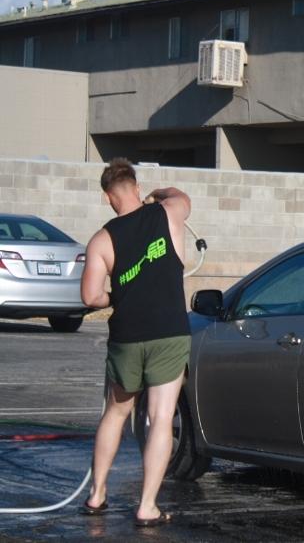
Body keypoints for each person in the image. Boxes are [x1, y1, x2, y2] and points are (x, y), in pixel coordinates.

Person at [79, 158, 192, 527]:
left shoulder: (101, 239)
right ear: (136, 188)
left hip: (127, 336)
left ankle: (96, 494)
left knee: (116, 412)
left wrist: (115, 297)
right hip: (169, 332)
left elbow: (89, 297)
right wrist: (160, 194)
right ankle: (147, 506)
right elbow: (181, 195)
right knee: (160, 418)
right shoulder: (169, 212)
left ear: (107, 197)